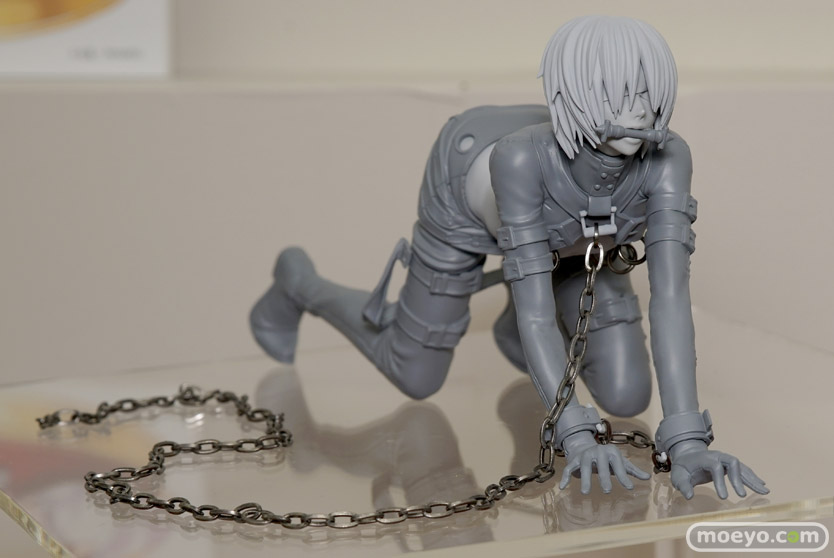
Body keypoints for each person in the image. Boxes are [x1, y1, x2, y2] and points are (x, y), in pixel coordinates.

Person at [250, 15, 767, 500]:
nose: (639, 112)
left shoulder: (668, 156)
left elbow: (671, 296)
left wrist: (686, 442)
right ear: (579, 95)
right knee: (415, 374)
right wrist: (575, 435)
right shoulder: (518, 159)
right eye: (619, 95)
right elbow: (537, 314)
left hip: (573, 241)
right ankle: (299, 282)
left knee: (628, 395)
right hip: (466, 198)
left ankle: (506, 330)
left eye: (648, 94)